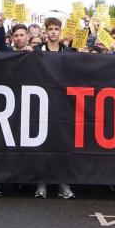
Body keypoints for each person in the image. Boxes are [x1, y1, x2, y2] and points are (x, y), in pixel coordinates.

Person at [32, 17, 76, 199]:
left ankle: (62, 184)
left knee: (62, 144)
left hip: (63, 104)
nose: (53, 32)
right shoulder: (36, 50)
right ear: (46, 31)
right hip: (41, 103)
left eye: (56, 29)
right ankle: (41, 183)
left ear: (60, 31)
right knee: (42, 144)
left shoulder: (68, 51)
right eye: (50, 29)